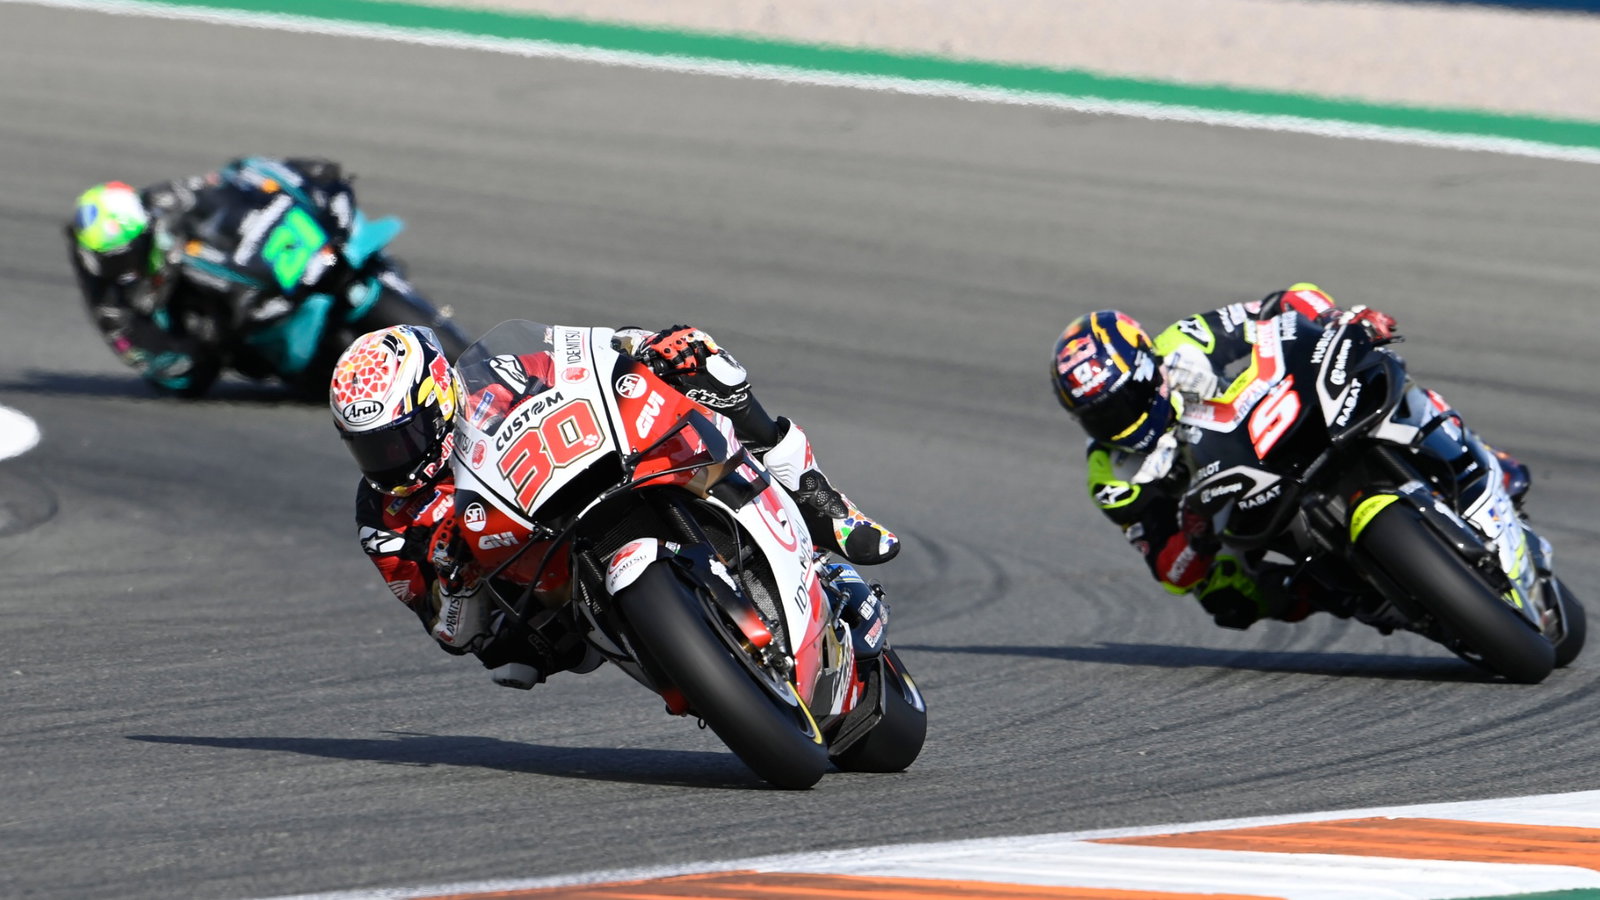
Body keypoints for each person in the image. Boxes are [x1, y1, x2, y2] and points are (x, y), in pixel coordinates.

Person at [330, 323, 899, 688]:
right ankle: (690, 661)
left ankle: (820, 501)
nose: (389, 462)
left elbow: (589, 360)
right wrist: (455, 582)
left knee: (699, 363)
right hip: (539, 593)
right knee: (510, 658)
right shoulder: (384, 517)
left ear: (438, 397)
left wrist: (647, 348)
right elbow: (451, 635)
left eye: (398, 440)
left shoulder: (499, 380)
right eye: (370, 450)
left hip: (593, 483)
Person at [1051, 283, 1531, 630]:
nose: (1118, 422)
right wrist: (1194, 540)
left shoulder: (1184, 343)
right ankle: (1361, 596)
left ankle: (1474, 451)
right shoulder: (1110, 477)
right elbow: (1169, 571)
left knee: (1376, 373)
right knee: (1227, 598)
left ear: (1147, 365)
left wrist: (1339, 318)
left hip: (1278, 430)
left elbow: (1280, 305)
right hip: (1236, 514)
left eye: (1123, 401)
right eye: (1099, 416)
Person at [66, 157, 352, 396]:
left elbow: (224, 183)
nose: (122, 265)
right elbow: (154, 363)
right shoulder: (108, 299)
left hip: (244, 255)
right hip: (211, 325)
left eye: (126, 254)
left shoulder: (162, 201)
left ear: (144, 230)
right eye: (111, 259)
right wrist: (191, 352)